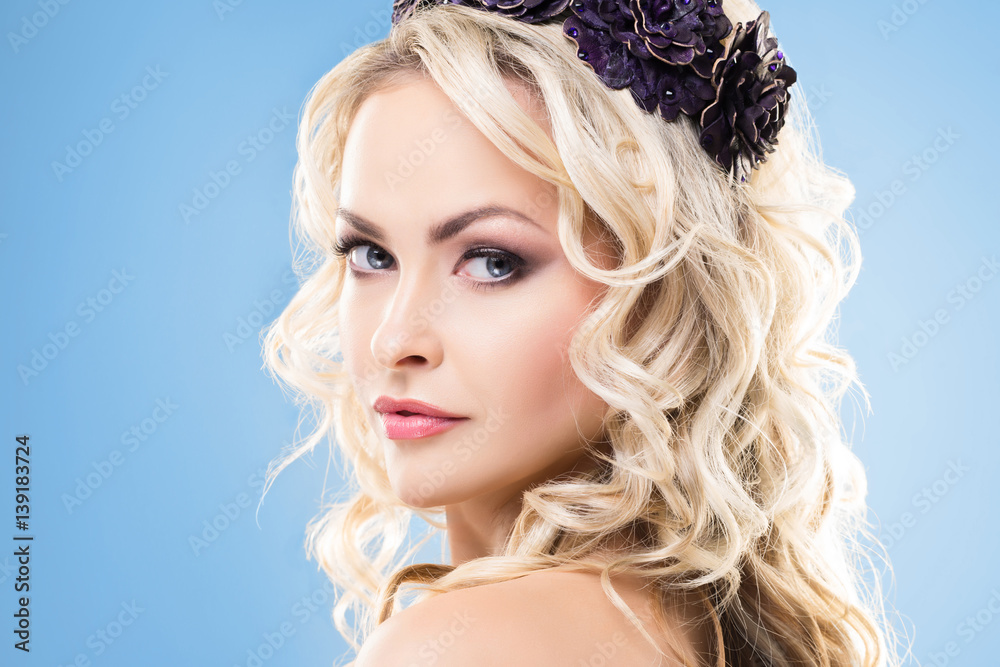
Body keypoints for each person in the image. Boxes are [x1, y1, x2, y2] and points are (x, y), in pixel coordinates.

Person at [262, 0, 904, 664]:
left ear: (660, 290)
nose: (393, 340)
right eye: (371, 255)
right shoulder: (705, 625)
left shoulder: (459, 648)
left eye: (492, 262)